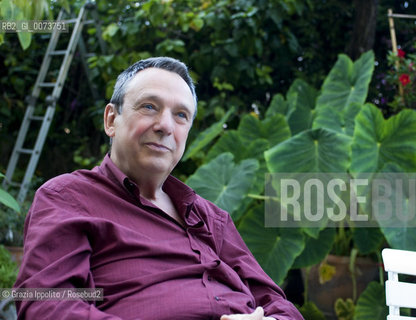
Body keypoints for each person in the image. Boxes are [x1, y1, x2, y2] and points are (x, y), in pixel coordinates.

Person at [14, 57, 304, 320]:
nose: (165, 125)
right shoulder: (68, 198)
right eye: (149, 107)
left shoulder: (210, 217)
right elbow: (46, 307)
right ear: (111, 120)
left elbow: (277, 303)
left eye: (181, 115)